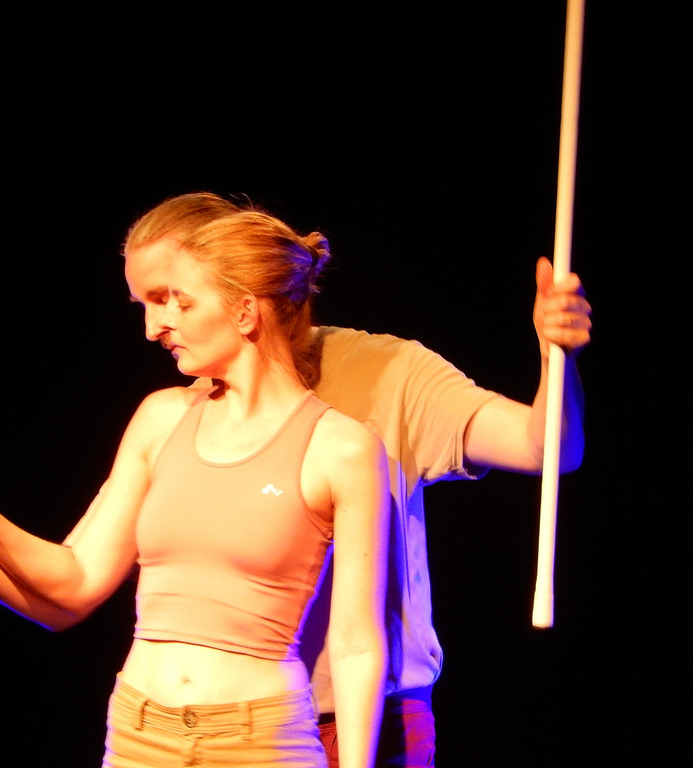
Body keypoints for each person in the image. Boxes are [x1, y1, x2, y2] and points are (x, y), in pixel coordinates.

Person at [0, 206, 392, 768]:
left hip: (260, 743)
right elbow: (72, 586)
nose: (154, 328)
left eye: (178, 303)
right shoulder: (162, 418)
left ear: (245, 311)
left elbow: (357, 646)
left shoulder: (342, 449)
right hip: (140, 737)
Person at [120, 193, 592, 767]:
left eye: (170, 296)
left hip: (365, 720)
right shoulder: (186, 410)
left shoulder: (388, 373)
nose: (155, 326)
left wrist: (555, 357)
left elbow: (546, 447)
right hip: (232, 730)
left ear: (237, 286)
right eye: (147, 302)